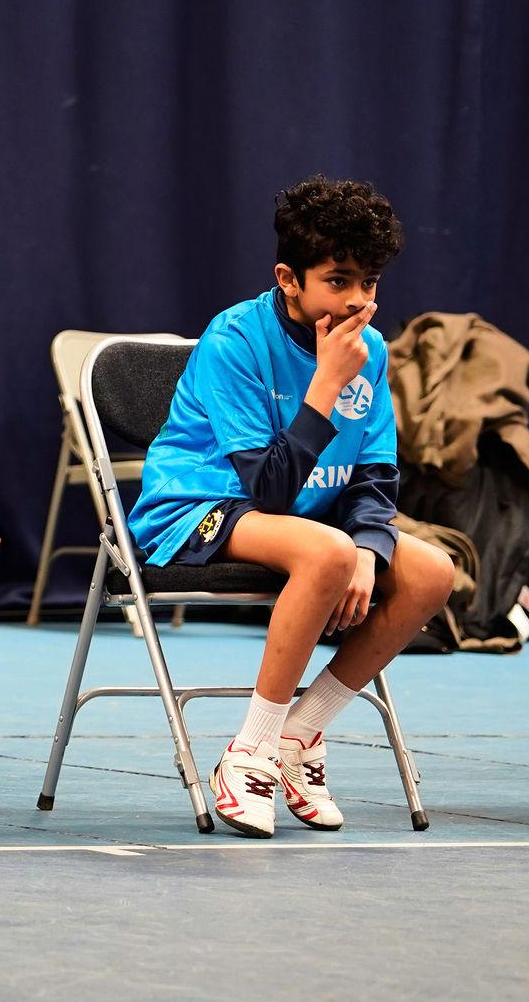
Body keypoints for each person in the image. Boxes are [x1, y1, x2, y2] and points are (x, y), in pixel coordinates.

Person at [126, 177, 454, 838]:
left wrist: (368, 546)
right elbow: (268, 489)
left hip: (309, 520)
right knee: (327, 549)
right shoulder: (235, 341)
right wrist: (328, 383)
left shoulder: (373, 349)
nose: (360, 299)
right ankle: (249, 751)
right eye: (340, 280)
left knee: (431, 571)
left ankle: (300, 735)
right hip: (202, 505)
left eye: (371, 281)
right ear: (289, 279)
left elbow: (377, 476)